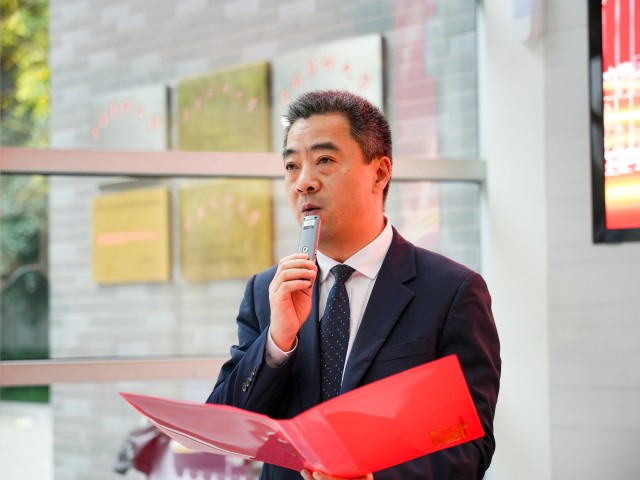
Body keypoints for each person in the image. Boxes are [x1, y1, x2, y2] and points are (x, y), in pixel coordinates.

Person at [207, 90, 501, 480]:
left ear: (379, 173)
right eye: (292, 166)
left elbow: (470, 445)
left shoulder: (452, 291)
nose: (304, 183)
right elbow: (225, 426)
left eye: (324, 161)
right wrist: (277, 342)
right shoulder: (267, 291)